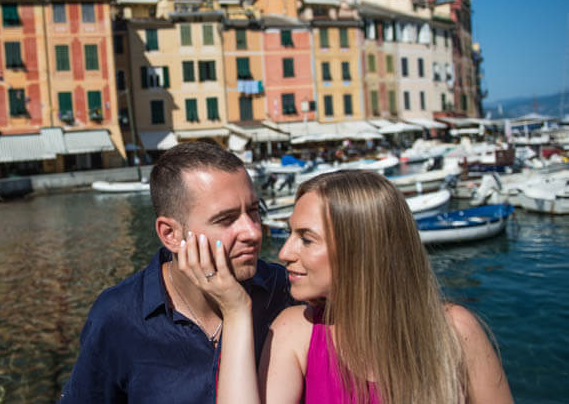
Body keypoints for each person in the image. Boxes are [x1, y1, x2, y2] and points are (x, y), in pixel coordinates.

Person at [179, 169, 513, 404]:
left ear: (362, 251)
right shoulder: (296, 333)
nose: (284, 253)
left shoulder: (457, 332)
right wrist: (236, 312)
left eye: (306, 239)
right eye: (290, 234)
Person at [60, 141, 292, 403]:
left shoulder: (284, 291)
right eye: (226, 220)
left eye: (253, 212)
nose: (252, 232)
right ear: (170, 235)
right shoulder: (118, 316)